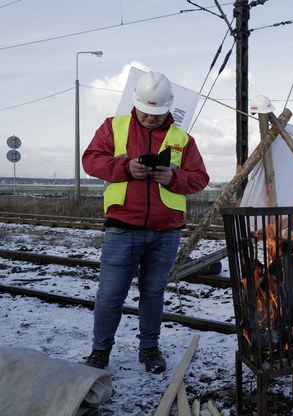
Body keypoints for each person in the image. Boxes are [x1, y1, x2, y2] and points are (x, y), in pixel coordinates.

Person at [82, 71, 209, 373]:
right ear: (135, 102)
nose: (151, 118)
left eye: (157, 112)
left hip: (166, 232)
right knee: (111, 295)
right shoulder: (114, 127)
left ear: (169, 106)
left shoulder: (182, 139)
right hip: (122, 228)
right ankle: (100, 351)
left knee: (153, 294)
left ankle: (149, 348)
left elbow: (200, 178)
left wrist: (173, 177)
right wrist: (126, 167)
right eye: (146, 111)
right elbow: (91, 160)